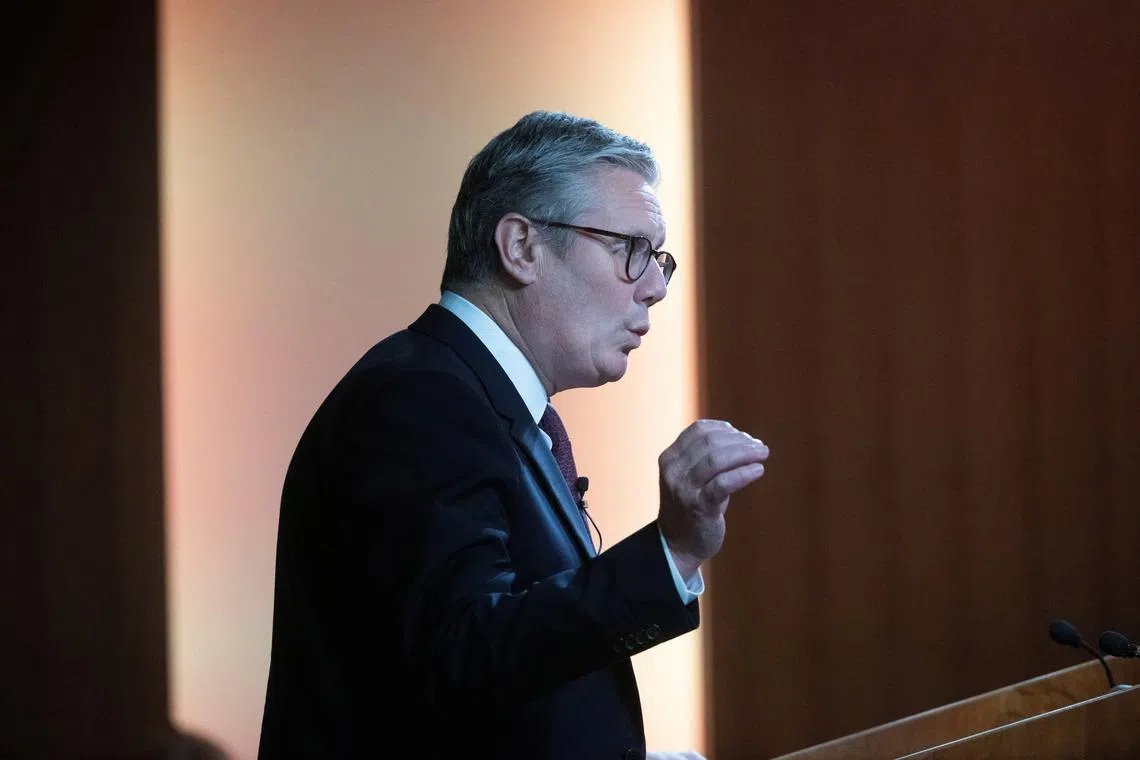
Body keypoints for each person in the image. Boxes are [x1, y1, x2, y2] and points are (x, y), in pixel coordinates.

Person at [257, 111, 769, 759]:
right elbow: (465, 652)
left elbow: (498, 701)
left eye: (658, 257)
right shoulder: (419, 398)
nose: (656, 287)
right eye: (630, 249)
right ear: (522, 247)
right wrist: (671, 549)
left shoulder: (479, 402)